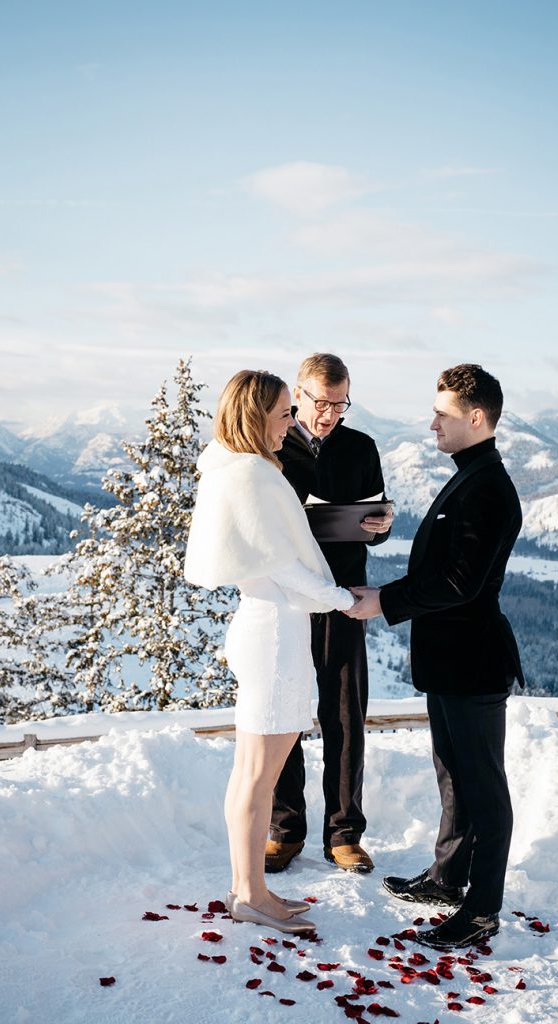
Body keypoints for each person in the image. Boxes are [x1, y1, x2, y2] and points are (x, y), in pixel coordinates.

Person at [346, 363, 524, 949]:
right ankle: (448, 879)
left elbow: (459, 582)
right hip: (449, 660)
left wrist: (385, 601)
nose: (432, 424)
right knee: (454, 777)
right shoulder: (468, 476)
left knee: (483, 786)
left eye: (442, 415)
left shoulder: (489, 486)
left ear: (476, 418)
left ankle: (481, 910)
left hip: (473, 661)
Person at [184, 369, 355, 935]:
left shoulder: (234, 468)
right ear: (256, 415)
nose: (291, 423)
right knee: (258, 777)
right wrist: (339, 599)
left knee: (248, 774)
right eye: (284, 413)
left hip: (265, 629)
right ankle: (254, 894)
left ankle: (244, 887)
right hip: (276, 635)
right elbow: (281, 563)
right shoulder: (253, 475)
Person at [266, 353, 393, 876]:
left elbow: (377, 517)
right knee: (284, 714)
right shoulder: (271, 444)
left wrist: (380, 524)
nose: (329, 415)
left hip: (343, 598)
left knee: (345, 715)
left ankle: (344, 834)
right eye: (321, 403)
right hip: (287, 599)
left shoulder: (361, 446)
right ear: (299, 393)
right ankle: (284, 829)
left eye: (340, 405)